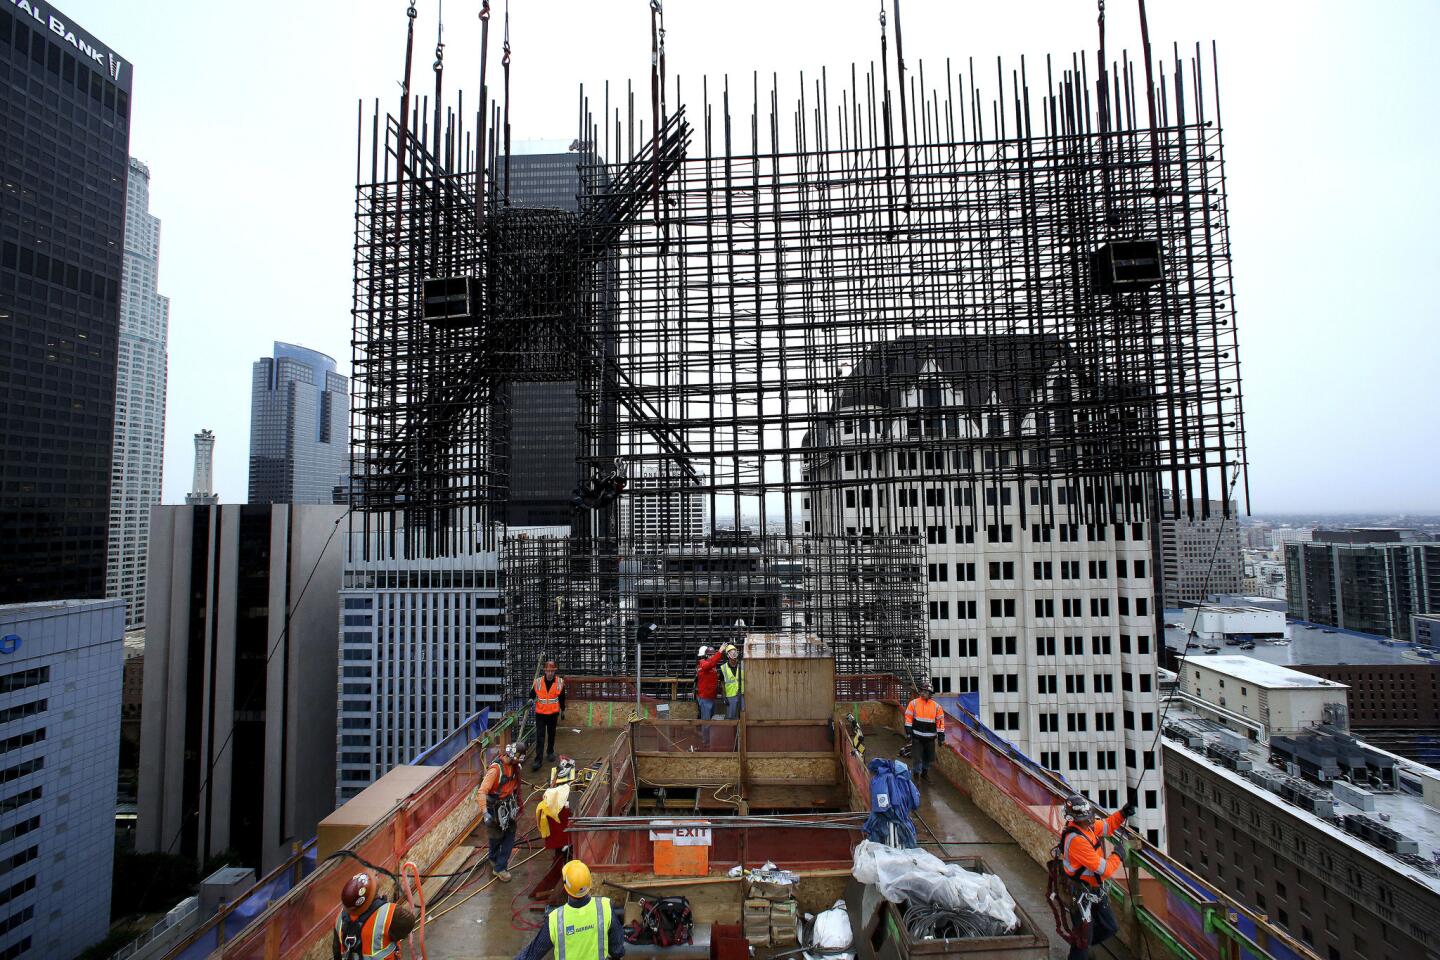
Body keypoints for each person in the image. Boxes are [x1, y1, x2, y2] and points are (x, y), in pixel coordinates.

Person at [1059, 794, 1136, 960]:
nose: (1090, 820)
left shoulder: (1087, 827)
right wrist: (1118, 855)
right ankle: (1081, 947)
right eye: (1086, 818)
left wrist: (1122, 814)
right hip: (1079, 893)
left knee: (1110, 927)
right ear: (1076, 819)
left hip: (1093, 890)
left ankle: (1082, 944)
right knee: (1082, 941)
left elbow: (1107, 826)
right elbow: (1105, 870)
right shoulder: (1077, 840)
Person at [513, 860, 625, 960]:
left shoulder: (556, 919)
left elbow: (532, 954)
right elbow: (617, 950)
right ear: (589, 884)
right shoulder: (604, 908)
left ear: (566, 888)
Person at [331, 870, 417, 960]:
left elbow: (336, 951)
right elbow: (408, 925)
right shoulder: (390, 913)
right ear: (370, 897)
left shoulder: (339, 919)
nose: (376, 876)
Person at [479, 742, 527, 882]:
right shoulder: (495, 771)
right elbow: (482, 791)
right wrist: (484, 813)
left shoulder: (514, 767)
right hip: (494, 808)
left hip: (507, 806)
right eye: (516, 759)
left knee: (509, 835)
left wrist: (517, 804)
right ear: (510, 756)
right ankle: (494, 859)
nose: (517, 762)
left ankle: (500, 867)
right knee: (496, 836)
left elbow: (515, 785)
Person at [902, 682, 944, 779]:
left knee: (928, 758)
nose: (922, 693)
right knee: (917, 757)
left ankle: (925, 774)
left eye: (925, 691)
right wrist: (908, 731)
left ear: (930, 693)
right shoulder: (914, 703)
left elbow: (940, 722)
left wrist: (941, 736)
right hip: (917, 737)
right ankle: (916, 774)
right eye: (922, 691)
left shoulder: (937, 707)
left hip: (930, 738)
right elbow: (908, 718)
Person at [530, 660, 566, 771]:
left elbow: (562, 698)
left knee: (551, 734)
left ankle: (550, 752)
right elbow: (531, 694)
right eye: (548, 671)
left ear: (554, 671)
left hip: (553, 714)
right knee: (540, 737)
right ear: (545, 671)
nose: (550, 673)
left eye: (552, 671)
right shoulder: (538, 682)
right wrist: (530, 700)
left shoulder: (560, 682)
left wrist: (563, 710)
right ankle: (538, 760)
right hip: (540, 714)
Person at [694, 645, 725, 720]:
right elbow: (708, 665)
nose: (711, 656)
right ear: (706, 655)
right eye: (710, 655)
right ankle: (705, 732)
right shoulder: (702, 663)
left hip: (712, 697)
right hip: (705, 698)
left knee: (710, 719)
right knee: (706, 721)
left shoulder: (712, 666)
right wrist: (719, 652)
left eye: (713, 654)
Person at [720, 644, 744, 719]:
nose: (733, 654)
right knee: (731, 717)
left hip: (742, 695)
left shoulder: (743, 665)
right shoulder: (723, 668)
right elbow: (722, 683)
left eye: (735, 652)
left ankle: (741, 730)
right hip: (730, 695)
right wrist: (724, 696)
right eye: (731, 652)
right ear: (728, 655)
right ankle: (732, 730)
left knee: (743, 716)